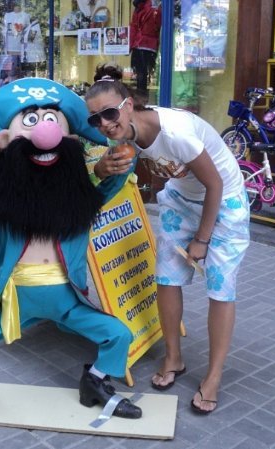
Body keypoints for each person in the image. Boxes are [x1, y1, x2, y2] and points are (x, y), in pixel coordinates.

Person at [0, 78, 141, 420]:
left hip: (68, 300)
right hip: (17, 301)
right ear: (6, 140)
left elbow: (105, 190)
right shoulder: (5, 209)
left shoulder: (76, 204)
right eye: (31, 122)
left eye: (52, 121)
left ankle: (94, 380)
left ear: (69, 141)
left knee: (119, 335)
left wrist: (124, 160)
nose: (44, 133)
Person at [84, 64, 250, 415]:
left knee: (220, 288)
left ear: (129, 105)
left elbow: (215, 184)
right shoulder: (124, 135)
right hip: (180, 198)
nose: (105, 124)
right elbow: (114, 167)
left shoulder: (175, 133)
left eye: (110, 113)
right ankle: (174, 357)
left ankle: (214, 376)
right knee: (166, 278)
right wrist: (100, 169)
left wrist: (202, 240)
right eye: (95, 119)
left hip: (223, 200)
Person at [129, 0, 162, 98]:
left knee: (139, 75)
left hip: (139, 45)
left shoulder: (140, 6)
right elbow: (158, 24)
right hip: (150, 45)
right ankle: (143, 98)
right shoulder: (155, 6)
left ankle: (141, 98)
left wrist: (129, 46)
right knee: (149, 75)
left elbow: (134, 27)